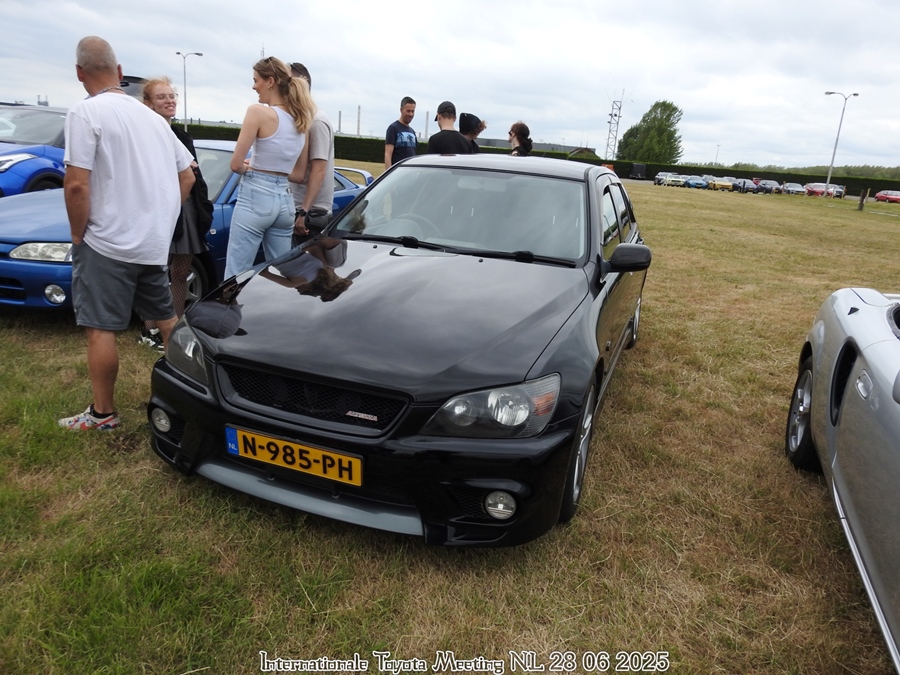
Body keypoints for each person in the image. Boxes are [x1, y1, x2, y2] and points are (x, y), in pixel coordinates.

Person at [59, 36, 195, 431]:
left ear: (79, 73)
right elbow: (187, 176)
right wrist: (161, 219)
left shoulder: (86, 112)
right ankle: (190, 399)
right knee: (167, 320)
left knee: (100, 327)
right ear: (119, 72)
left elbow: (76, 185)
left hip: (106, 242)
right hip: (151, 243)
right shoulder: (152, 119)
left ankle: (103, 414)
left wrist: (77, 233)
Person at [138, 76, 214, 351]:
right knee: (153, 271)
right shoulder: (143, 135)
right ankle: (149, 330)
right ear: (149, 103)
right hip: (157, 208)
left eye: (172, 96)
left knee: (180, 271)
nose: (169, 101)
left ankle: (176, 329)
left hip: (186, 208)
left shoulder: (182, 136)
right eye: (162, 97)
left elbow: (194, 176)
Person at [223, 56, 313, 279]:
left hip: (255, 197)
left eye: (256, 80)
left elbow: (235, 164)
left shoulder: (258, 112)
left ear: (270, 81)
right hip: (285, 202)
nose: (254, 87)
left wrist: (250, 168)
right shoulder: (301, 122)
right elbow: (298, 175)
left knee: (235, 275)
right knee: (282, 275)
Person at [288, 63, 335, 246]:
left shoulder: (317, 121)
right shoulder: (305, 120)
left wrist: (303, 213)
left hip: (310, 216)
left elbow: (319, 171)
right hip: (302, 212)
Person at [384, 96, 417, 169]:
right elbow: (388, 154)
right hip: (398, 173)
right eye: (408, 111)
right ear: (401, 110)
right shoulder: (393, 128)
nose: (411, 114)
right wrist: (389, 173)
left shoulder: (412, 131)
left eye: (413, 111)